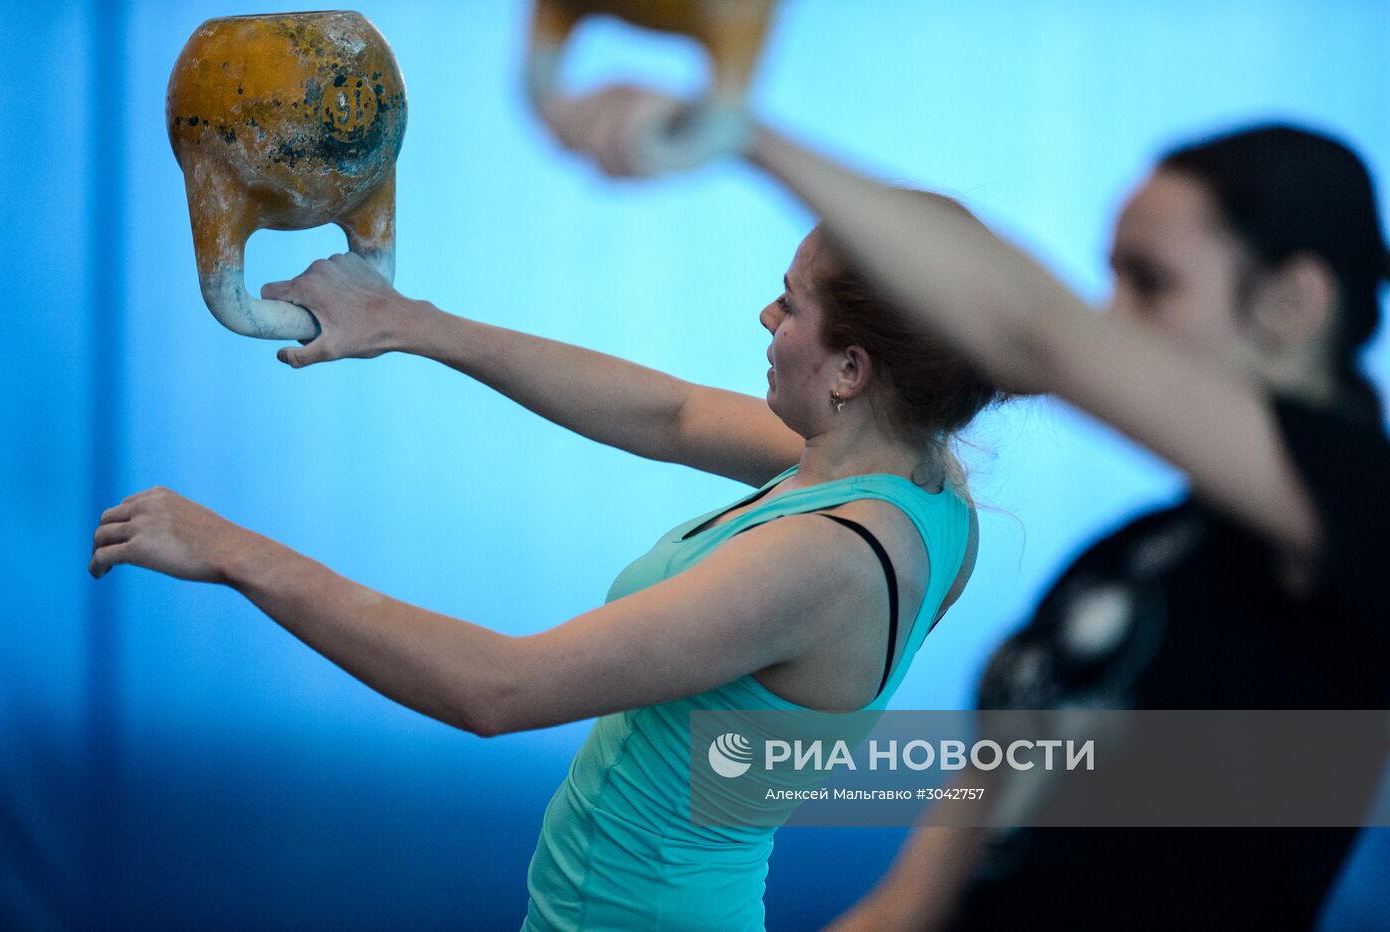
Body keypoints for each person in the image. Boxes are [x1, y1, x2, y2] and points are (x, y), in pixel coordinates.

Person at [540, 92, 1390, 928]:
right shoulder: (1130, 563)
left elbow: (1038, 332)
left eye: (1152, 284)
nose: (1111, 322)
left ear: (1293, 304)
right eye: (1111, 279)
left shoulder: (1365, 513)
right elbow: (920, 898)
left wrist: (743, 135)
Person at [89, 217, 999, 928]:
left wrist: (236, 553)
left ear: (850, 366)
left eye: (789, 303)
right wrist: (413, 325)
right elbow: (671, 415)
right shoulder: (923, 488)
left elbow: (498, 689)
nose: (768, 317)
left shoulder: (824, 560)